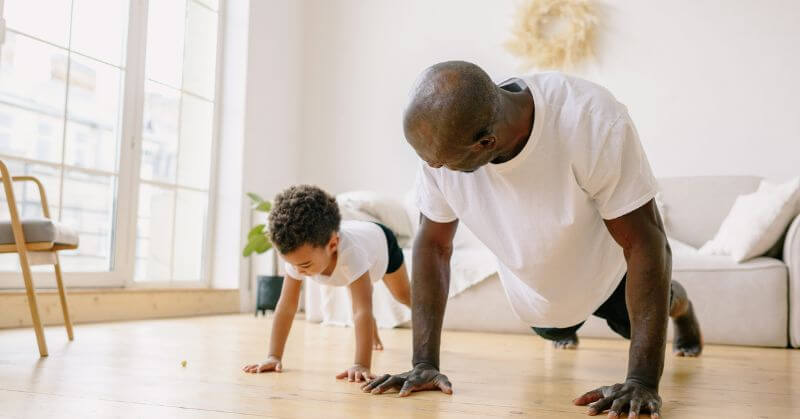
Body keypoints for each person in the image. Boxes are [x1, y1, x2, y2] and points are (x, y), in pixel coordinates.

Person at [362, 61, 703, 418]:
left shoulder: (589, 119)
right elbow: (433, 246)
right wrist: (423, 363)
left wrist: (643, 381)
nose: (433, 168)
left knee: (655, 306)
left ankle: (682, 307)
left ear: (486, 143)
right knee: (554, 331)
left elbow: (646, 243)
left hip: (609, 272)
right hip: (541, 293)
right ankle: (564, 325)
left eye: (442, 162)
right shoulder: (439, 146)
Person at [242, 185, 411, 382]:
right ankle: (370, 328)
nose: (297, 270)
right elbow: (286, 306)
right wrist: (273, 356)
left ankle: (426, 318)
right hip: (355, 246)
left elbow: (361, 310)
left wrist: (361, 364)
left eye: (304, 264)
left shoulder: (351, 253)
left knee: (402, 295)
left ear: (332, 245)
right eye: (291, 264)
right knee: (356, 291)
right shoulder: (298, 258)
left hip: (382, 243)